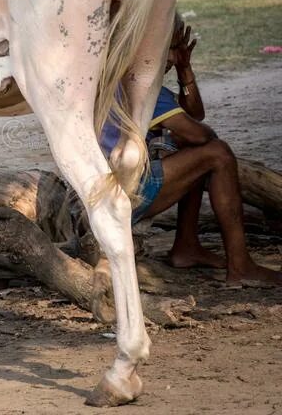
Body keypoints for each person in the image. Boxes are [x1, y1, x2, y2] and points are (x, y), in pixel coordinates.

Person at [101, 17, 281, 285]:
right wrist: (197, 137)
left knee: (193, 152)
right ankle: (241, 266)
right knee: (217, 154)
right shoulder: (141, 87)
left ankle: (187, 247)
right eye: (170, 49)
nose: (175, 57)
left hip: (111, 191)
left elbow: (195, 113)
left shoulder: (128, 76)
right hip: (122, 195)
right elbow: (200, 132)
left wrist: (186, 70)